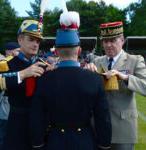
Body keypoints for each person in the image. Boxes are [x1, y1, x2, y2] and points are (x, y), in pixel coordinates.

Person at [29, 5, 112, 150]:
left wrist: (38, 143)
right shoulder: (94, 79)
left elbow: (37, 117)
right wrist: (104, 144)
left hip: (55, 140)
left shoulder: (44, 79)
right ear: (79, 51)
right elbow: (103, 118)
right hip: (85, 140)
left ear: (56, 52)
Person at [85, 21, 146, 150]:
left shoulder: (135, 60)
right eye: (105, 41)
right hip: (98, 127)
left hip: (124, 129)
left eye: (113, 40)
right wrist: (86, 73)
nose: (108, 45)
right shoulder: (96, 61)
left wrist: (125, 77)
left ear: (122, 40)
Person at [0, 20, 46, 150]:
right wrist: (22, 74)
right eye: (31, 39)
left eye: (38, 41)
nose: (35, 44)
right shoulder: (7, 64)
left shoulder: (44, 66)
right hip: (15, 123)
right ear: (20, 40)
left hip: (40, 124)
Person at [0, 42, 20, 150]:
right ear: (10, 52)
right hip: (3, 105)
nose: (19, 53)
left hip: (7, 106)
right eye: (17, 51)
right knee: (1, 135)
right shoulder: (3, 65)